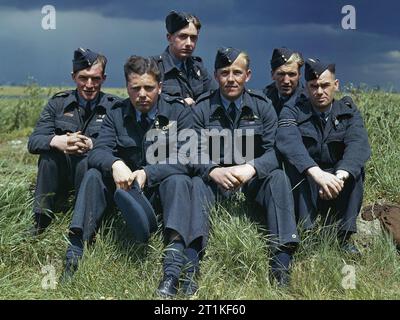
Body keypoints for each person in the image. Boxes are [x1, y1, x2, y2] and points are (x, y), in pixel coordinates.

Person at [61, 56, 206, 298]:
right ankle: (73, 258)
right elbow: (98, 151)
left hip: (162, 192)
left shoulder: (178, 112)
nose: (142, 94)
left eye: (149, 88)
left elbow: (188, 157)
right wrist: (116, 164)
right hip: (125, 193)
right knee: (95, 174)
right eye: (135, 88)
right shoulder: (116, 113)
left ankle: (171, 273)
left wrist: (148, 173)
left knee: (180, 180)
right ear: (127, 87)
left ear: (159, 87)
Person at [192, 47, 299, 286]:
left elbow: (275, 151)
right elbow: (191, 151)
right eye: (225, 72)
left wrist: (252, 168)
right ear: (216, 75)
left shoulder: (262, 106)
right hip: (215, 181)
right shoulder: (202, 108)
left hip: (251, 180)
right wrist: (212, 170)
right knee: (195, 183)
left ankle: (281, 263)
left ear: (247, 75)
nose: (231, 79)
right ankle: (194, 261)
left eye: (237, 72)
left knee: (279, 178)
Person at [276, 58, 371, 254]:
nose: (319, 92)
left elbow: (358, 144)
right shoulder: (293, 110)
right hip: (308, 180)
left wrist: (338, 178)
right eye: (314, 86)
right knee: (294, 167)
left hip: (336, 182)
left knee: (356, 170)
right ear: (306, 87)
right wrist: (317, 174)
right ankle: (307, 234)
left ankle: (343, 236)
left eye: (325, 85)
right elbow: (288, 141)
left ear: (335, 85)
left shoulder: (348, 111)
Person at [27, 48, 119, 235]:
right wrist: (57, 141)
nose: (89, 84)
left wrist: (92, 145)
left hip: (93, 177)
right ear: (73, 76)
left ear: (104, 79)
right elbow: (34, 141)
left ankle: (86, 221)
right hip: (61, 175)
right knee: (47, 156)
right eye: (83, 78)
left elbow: (121, 146)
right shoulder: (58, 103)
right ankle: (41, 219)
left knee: (87, 159)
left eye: (96, 79)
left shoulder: (115, 106)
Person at [152, 10, 216, 106]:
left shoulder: (198, 68)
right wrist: (180, 103)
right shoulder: (153, 68)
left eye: (193, 38)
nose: (189, 43)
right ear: (169, 38)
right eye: (183, 36)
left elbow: (215, 96)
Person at [263, 47, 307, 116]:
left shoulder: (309, 102)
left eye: (292, 74)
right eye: (281, 74)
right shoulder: (262, 99)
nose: (286, 81)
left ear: (299, 75)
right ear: (272, 75)